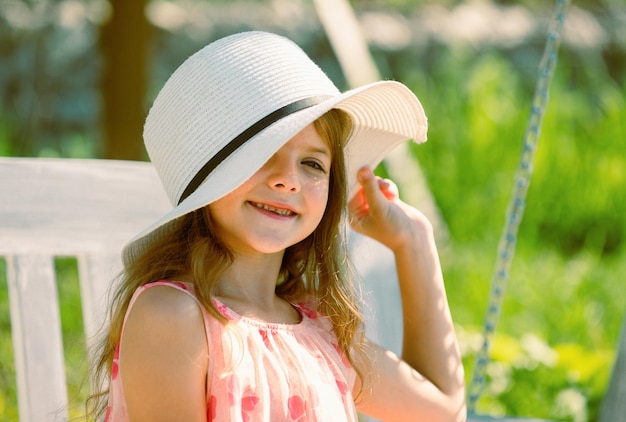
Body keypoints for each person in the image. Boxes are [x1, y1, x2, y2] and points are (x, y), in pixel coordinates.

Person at [88, 31, 466, 421]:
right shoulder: (173, 316)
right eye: (264, 153)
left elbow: (442, 410)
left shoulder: (321, 330)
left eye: (313, 164)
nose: (288, 179)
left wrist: (413, 241)